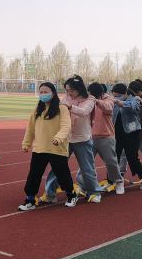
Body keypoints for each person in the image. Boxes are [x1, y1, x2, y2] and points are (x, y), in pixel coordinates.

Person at [17, 82, 77, 211]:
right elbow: (30, 128)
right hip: (40, 148)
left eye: (46, 92)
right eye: (41, 92)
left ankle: (71, 195)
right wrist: (26, 143)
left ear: (53, 93)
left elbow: (66, 126)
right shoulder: (37, 109)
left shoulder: (62, 108)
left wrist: (58, 138)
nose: (43, 94)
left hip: (57, 148)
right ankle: (30, 200)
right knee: (34, 175)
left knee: (62, 175)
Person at [41, 76, 99, 204]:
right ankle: (50, 193)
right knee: (56, 167)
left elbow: (84, 112)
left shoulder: (90, 99)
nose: (68, 93)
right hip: (65, 138)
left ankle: (94, 192)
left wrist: (69, 107)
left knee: (87, 168)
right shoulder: (66, 98)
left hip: (82, 139)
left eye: (71, 90)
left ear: (79, 89)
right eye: (66, 90)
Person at [110, 82, 142, 192]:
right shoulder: (113, 100)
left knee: (132, 157)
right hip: (116, 133)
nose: (116, 98)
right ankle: (116, 180)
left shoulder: (134, 99)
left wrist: (119, 102)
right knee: (114, 157)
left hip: (132, 133)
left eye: (118, 96)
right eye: (114, 96)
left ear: (125, 93)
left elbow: (132, 107)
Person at [89, 83, 121, 194]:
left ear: (101, 93)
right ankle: (87, 184)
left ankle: (118, 181)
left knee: (111, 162)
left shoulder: (109, 99)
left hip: (106, 136)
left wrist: (96, 101)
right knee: (87, 163)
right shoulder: (88, 100)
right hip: (90, 137)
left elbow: (108, 108)